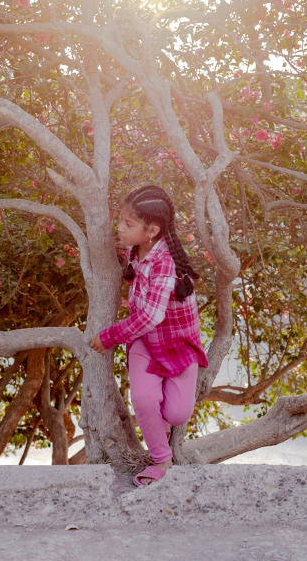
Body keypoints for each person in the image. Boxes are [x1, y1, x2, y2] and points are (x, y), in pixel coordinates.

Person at [90, 185, 207, 486]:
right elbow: (145, 322)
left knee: (177, 413)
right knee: (143, 399)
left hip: (177, 344)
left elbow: (152, 316)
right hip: (144, 340)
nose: (120, 228)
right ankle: (162, 459)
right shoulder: (136, 248)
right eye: (121, 220)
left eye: (128, 224)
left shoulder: (166, 264)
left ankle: (163, 424)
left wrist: (109, 336)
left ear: (152, 230)